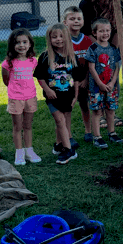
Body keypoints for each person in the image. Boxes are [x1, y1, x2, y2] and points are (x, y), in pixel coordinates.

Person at [34, 24, 85, 164]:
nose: (58, 39)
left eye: (61, 36)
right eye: (54, 36)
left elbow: (76, 78)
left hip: (67, 96)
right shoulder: (45, 57)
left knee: (62, 121)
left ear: (67, 38)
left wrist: (75, 96)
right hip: (53, 97)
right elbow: (40, 77)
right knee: (59, 120)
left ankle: (58, 144)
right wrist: (48, 90)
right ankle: (69, 151)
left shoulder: (71, 57)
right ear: (49, 39)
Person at [1, 28, 41, 166]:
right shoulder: (8, 63)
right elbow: (6, 80)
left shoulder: (33, 61)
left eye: (25, 42)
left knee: (28, 125)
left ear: (30, 44)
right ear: (12, 45)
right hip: (16, 98)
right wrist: (15, 91)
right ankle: (19, 153)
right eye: (18, 42)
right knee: (17, 126)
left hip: (30, 97)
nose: (21, 45)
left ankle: (29, 151)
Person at [84, 18, 123, 148]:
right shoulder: (93, 48)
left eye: (107, 31)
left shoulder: (113, 48)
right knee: (97, 111)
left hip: (111, 86)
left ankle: (112, 133)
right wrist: (99, 83)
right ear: (95, 33)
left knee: (110, 110)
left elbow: (117, 67)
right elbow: (91, 67)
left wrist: (112, 82)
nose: (105, 33)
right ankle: (97, 136)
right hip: (96, 87)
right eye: (101, 31)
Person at [63, 6, 95, 143]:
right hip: (68, 80)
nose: (76, 21)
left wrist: (86, 79)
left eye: (78, 19)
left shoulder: (88, 40)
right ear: (65, 22)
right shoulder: (62, 40)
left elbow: (91, 62)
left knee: (85, 104)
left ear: (83, 21)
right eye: (72, 19)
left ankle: (88, 131)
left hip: (85, 79)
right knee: (67, 107)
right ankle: (68, 135)